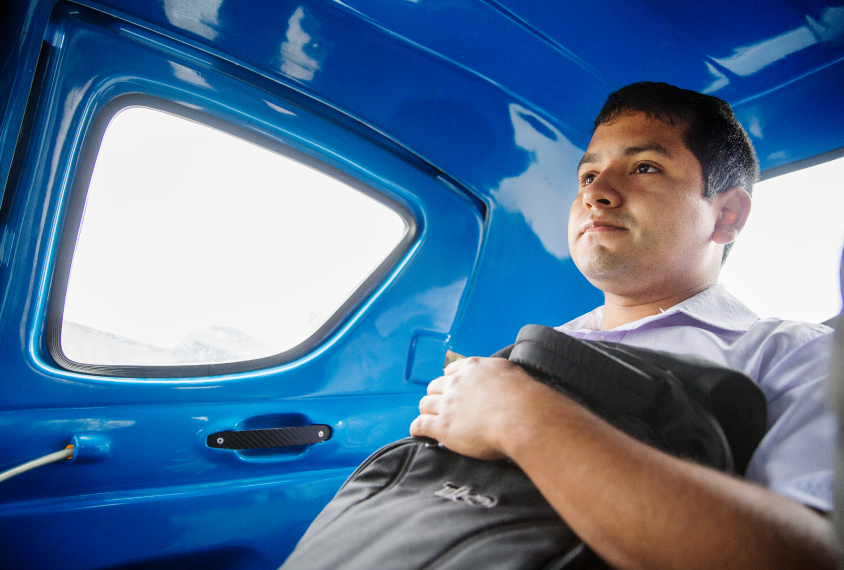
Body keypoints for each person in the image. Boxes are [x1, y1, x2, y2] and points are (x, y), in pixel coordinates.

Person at [410, 82, 841, 570]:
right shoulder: (521, 356)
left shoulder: (796, 356)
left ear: (727, 215)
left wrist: (519, 416)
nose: (596, 192)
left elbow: (810, 556)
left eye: (644, 168)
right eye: (588, 175)